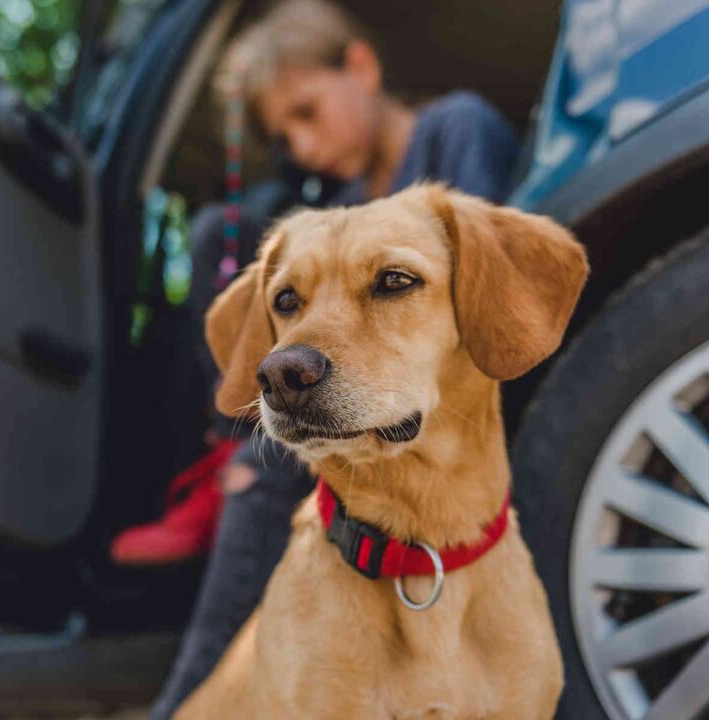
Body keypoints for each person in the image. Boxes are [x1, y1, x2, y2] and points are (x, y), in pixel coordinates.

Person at [138, 2, 521, 716]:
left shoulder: (454, 129)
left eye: (307, 111)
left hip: (454, 434)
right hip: (348, 449)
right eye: (286, 133)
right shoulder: (340, 206)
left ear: (362, 66)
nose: (304, 145)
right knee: (224, 239)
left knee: (258, 478)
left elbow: (492, 307)